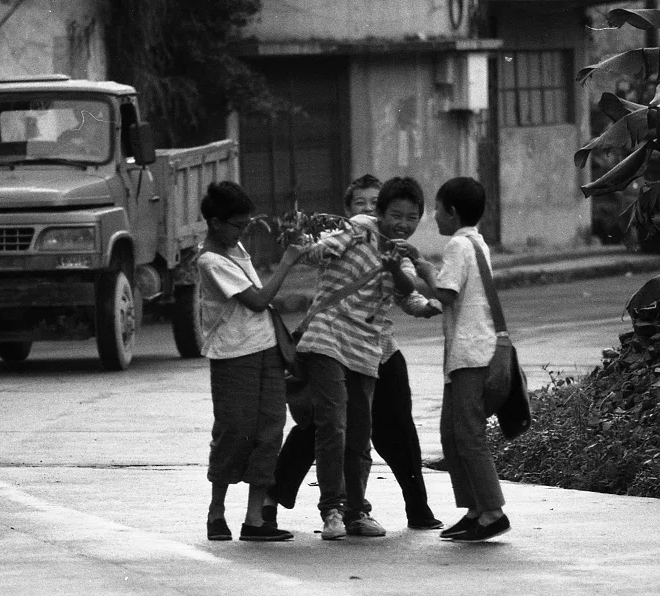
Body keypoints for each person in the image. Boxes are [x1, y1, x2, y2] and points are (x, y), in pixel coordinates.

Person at [265, 175, 444, 532]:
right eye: (395, 215)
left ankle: (357, 511)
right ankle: (331, 509)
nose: (403, 224)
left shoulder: (403, 254)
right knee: (331, 425)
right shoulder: (359, 229)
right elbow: (321, 252)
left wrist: (424, 303)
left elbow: (406, 291)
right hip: (328, 337)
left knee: (362, 433)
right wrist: (305, 246)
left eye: (411, 218)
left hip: (368, 350)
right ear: (375, 211)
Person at [196, 181, 304, 542]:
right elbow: (257, 301)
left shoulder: (234, 245)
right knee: (233, 432)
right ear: (215, 222)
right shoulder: (210, 260)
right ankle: (216, 512)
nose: (243, 232)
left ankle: (254, 519)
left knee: (270, 431)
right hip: (233, 354)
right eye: (237, 225)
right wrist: (287, 263)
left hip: (265, 349)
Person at [411, 176, 512, 542]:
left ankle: (493, 511)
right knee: (452, 435)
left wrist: (420, 267)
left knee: (467, 436)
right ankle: (475, 510)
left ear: (452, 213)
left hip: (471, 354)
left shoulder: (457, 246)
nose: (434, 216)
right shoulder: (477, 242)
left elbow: (447, 292)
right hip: (468, 353)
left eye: (437, 209)